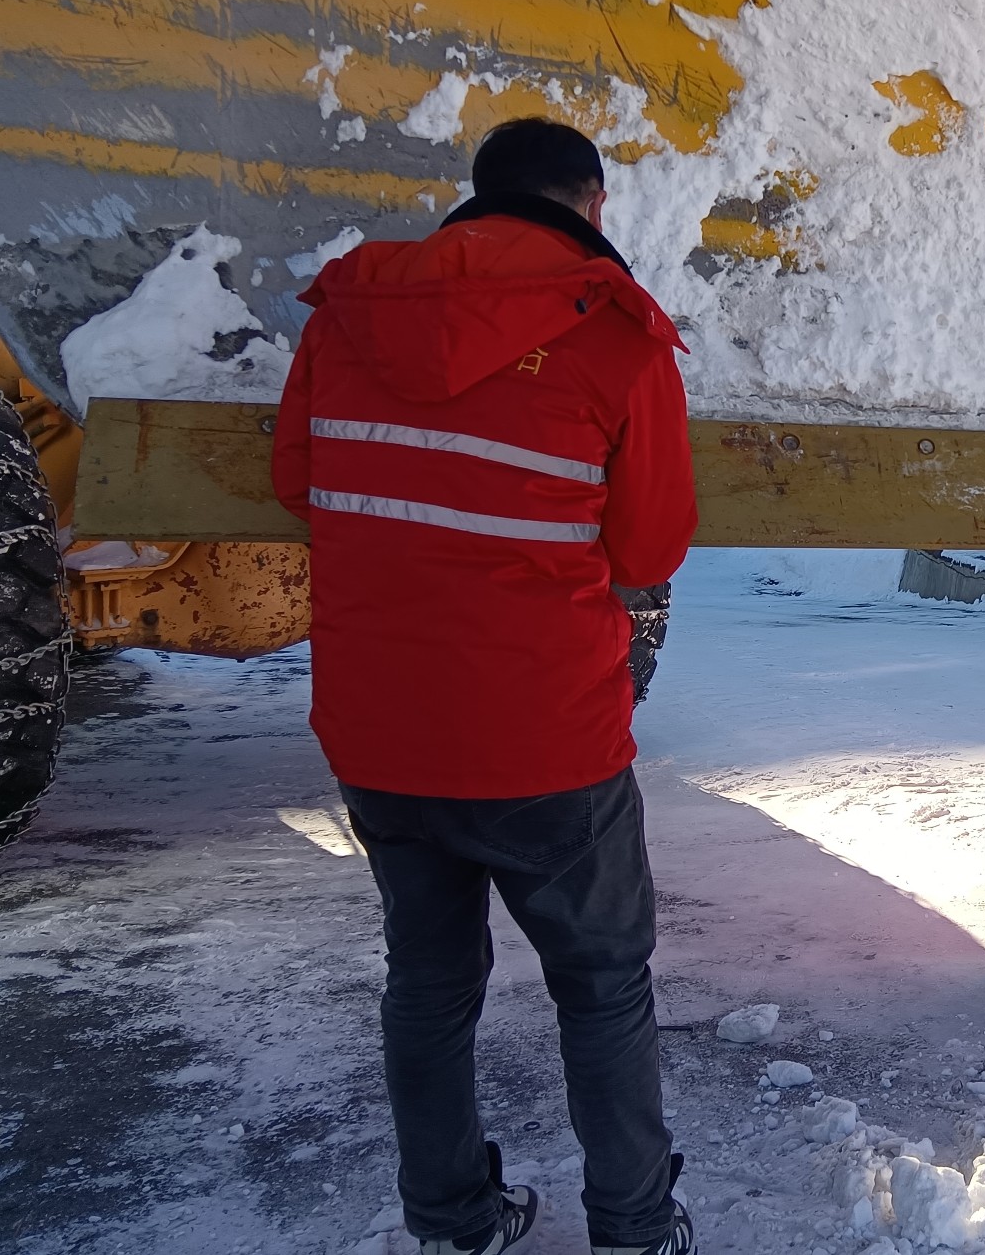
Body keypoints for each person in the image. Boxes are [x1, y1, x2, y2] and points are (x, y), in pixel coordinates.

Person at [272, 118, 699, 1255]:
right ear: (590, 205)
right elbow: (650, 545)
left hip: (380, 735)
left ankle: (452, 1220)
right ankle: (634, 1226)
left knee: (426, 982)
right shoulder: (617, 336)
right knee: (603, 988)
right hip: (543, 740)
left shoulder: (353, 314)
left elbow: (296, 480)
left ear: (476, 197)